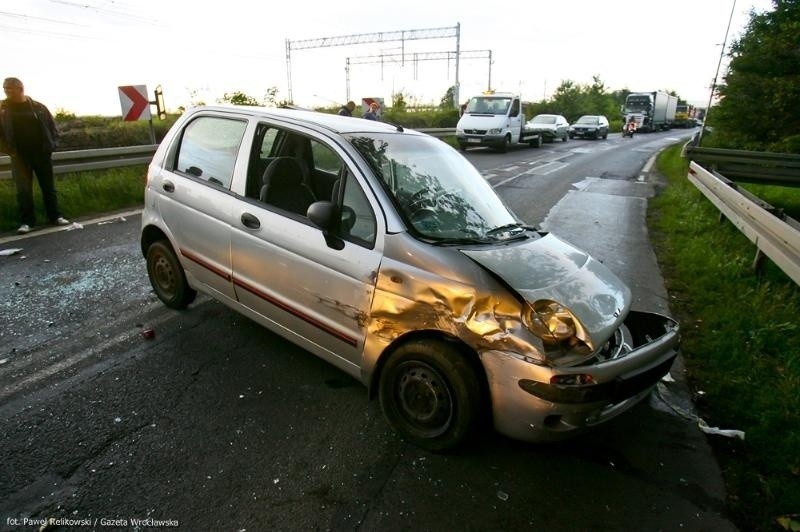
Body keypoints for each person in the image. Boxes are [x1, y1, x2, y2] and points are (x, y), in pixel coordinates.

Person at [0, 77, 69, 234]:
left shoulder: (38, 107)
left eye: (10, 87)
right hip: (19, 156)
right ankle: (27, 222)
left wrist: (52, 145)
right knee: (23, 191)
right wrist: (7, 149)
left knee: (48, 188)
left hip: (41, 153)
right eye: (5, 88)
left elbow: (52, 127)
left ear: (20, 88)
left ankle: (55, 217)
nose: (6, 91)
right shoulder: (2, 109)